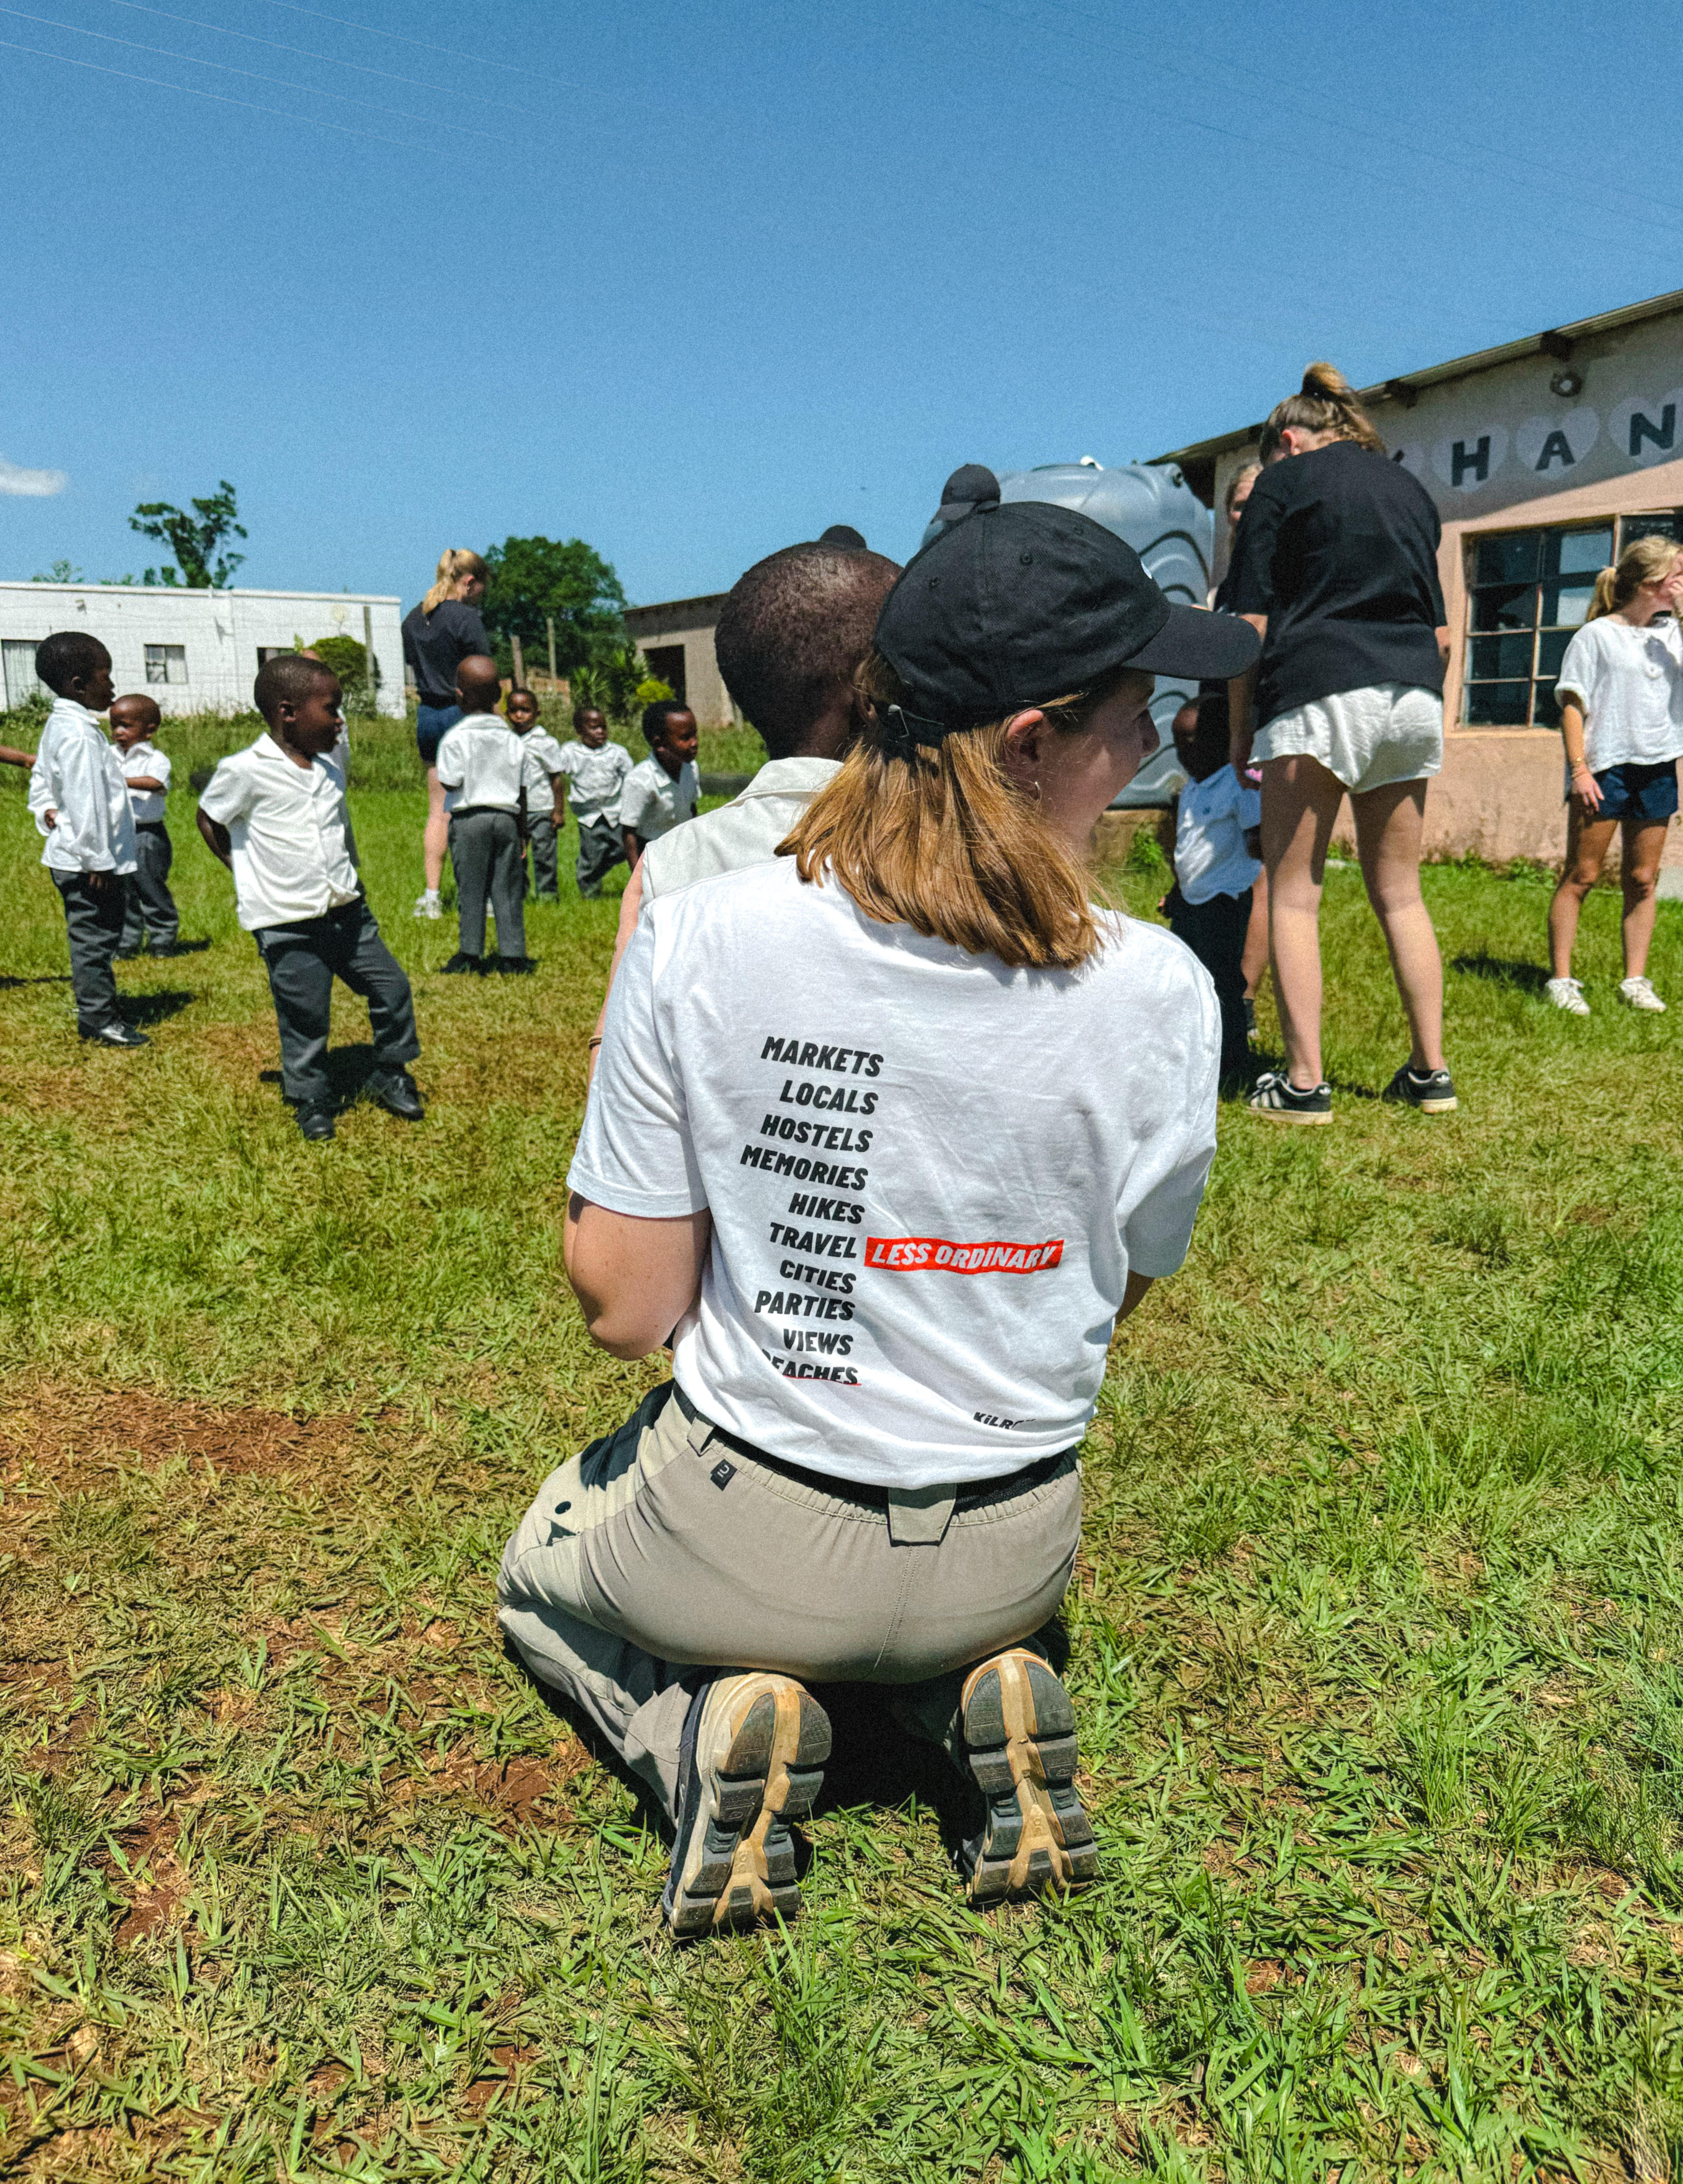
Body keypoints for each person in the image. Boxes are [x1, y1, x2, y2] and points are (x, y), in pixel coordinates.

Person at [497, 472, 1256, 1938]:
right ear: (1036, 744)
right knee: (931, 1603)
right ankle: (952, 1689)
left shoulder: (707, 932)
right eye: (1138, 712)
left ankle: (700, 1734)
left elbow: (626, 1307)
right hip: (1020, 1547)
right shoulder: (1164, 988)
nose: (1159, 740)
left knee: (543, 1569)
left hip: (752, 1523)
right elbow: (1125, 1281)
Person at [1227, 362, 1456, 1122]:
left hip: (1319, 689)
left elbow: (1249, 628)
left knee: (1294, 895)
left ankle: (1302, 1084)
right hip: (1412, 693)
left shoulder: (1280, 487)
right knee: (1400, 892)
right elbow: (1444, 636)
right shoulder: (1410, 490)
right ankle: (1430, 1074)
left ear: (1287, 441)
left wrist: (1240, 734)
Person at [196, 655, 424, 1142]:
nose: (340, 719)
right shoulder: (246, 770)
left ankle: (390, 1070)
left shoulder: (328, 768)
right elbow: (209, 818)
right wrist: (245, 870)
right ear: (289, 712)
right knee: (306, 1014)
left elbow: (339, 830)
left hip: (347, 913)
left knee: (392, 988)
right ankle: (311, 1097)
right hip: (287, 921)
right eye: (332, 708)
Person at [1545, 536, 1683, 1014]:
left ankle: (1635, 980)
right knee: (1582, 874)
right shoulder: (1597, 635)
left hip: (1659, 765)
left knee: (1644, 878)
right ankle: (1561, 979)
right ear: (1649, 583)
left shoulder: (1673, 634)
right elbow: (1572, 705)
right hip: (1604, 768)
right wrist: (1579, 770)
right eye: (1677, 574)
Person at [26, 633, 144, 1048]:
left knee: (99, 936)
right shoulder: (77, 734)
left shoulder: (64, 726)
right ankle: (98, 1020)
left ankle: (101, 1008)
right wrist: (98, 861)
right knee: (94, 941)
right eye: (105, 676)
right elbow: (88, 801)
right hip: (88, 863)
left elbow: (42, 780)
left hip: (78, 855)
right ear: (78, 684)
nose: (112, 687)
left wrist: (48, 811)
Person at [1163, 699, 1260, 1079]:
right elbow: (1188, 849)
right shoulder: (1191, 789)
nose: (1185, 751)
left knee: (1223, 980)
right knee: (1184, 974)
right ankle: (1192, 1050)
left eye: (1194, 741)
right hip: (1192, 900)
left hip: (1226, 900)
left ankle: (1233, 1059)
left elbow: (1258, 838)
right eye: (1178, 743)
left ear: (1223, 742)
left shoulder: (1238, 786)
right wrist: (1176, 891)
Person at [435, 655, 548, 975]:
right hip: (507, 820)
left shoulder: (455, 738)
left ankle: (470, 953)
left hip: (470, 819)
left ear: (459, 696)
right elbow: (523, 790)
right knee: (507, 887)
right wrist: (523, 831)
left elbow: (450, 780)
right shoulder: (513, 740)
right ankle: (513, 955)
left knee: (471, 887)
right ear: (499, 696)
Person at [401, 550, 492, 922]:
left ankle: (432, 897)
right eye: (480, 591)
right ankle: (482, 897)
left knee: (438, 813)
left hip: (428, 718)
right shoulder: (467, 619)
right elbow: (484, 675)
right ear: (469, 582)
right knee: (476, 808)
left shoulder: (413, 618)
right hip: (463, 715)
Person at [1213, 464, 1269, 1024]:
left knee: (1264, 864)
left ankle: (1244, 998)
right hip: (1221, 743)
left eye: (1256, 502)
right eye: (1236, 504)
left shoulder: (1278, 575)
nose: (1245, 514)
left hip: (1261, 739)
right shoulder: (1226, 585)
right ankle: (1219, 979)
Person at [109, 694, 181, 959]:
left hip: (147, 834)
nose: (118, 732)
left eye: (126, 726)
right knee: (123, 889)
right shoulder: (109, 755)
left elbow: (155, 783)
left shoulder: (156, 759)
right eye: (114, 725)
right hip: (118, 833)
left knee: (149, 885)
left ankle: (162, 938)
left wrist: (119, 780)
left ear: (150, 730)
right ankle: (128, 942)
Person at [556, 707, 634, 898]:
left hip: (616, 812)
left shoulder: (617, 752)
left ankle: (599, 869)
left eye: (603, 727)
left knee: (624, 849)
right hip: (589, 816)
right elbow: (556, 774)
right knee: (592, 855)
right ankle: (589, 890)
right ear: (580, 731)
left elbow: (632, 780)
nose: (601, 732)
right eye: (594, 728)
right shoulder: (570, 752)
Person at [504, 687, 567, 902]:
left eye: (525, 711)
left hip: (541, 807)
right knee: (516, 854)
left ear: (537, 713)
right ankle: (519, 894)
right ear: (507, 713)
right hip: (514, 809)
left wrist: (558, 811)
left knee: (544, 855)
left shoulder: (546, 742)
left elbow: (556, 778)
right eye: (513, 710)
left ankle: (548, 894)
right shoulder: (506, 740)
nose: (519, 716)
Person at [620, 701, 700, 870]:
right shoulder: (640, 780)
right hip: (651, 851)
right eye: (686, 738)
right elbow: (629, 832)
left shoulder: (691, 768)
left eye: (695, 736)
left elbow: (692, 808)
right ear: (659, 744)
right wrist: (637, 877)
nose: (694, 743)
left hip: (682, 846)